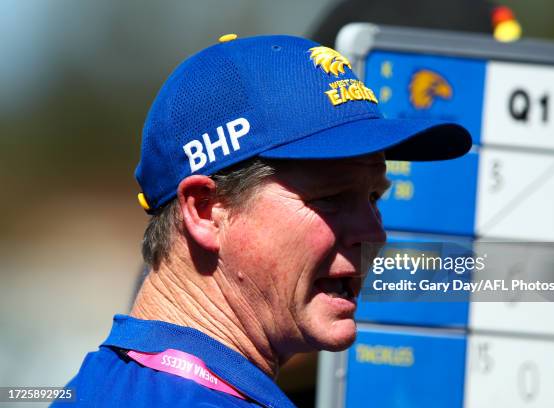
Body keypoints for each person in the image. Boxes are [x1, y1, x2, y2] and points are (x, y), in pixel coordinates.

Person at [52, 33, 470, 407]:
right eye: (330, 199)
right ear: (205, 210)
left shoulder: (105, 384)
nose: (374, 233)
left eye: (374, 197)